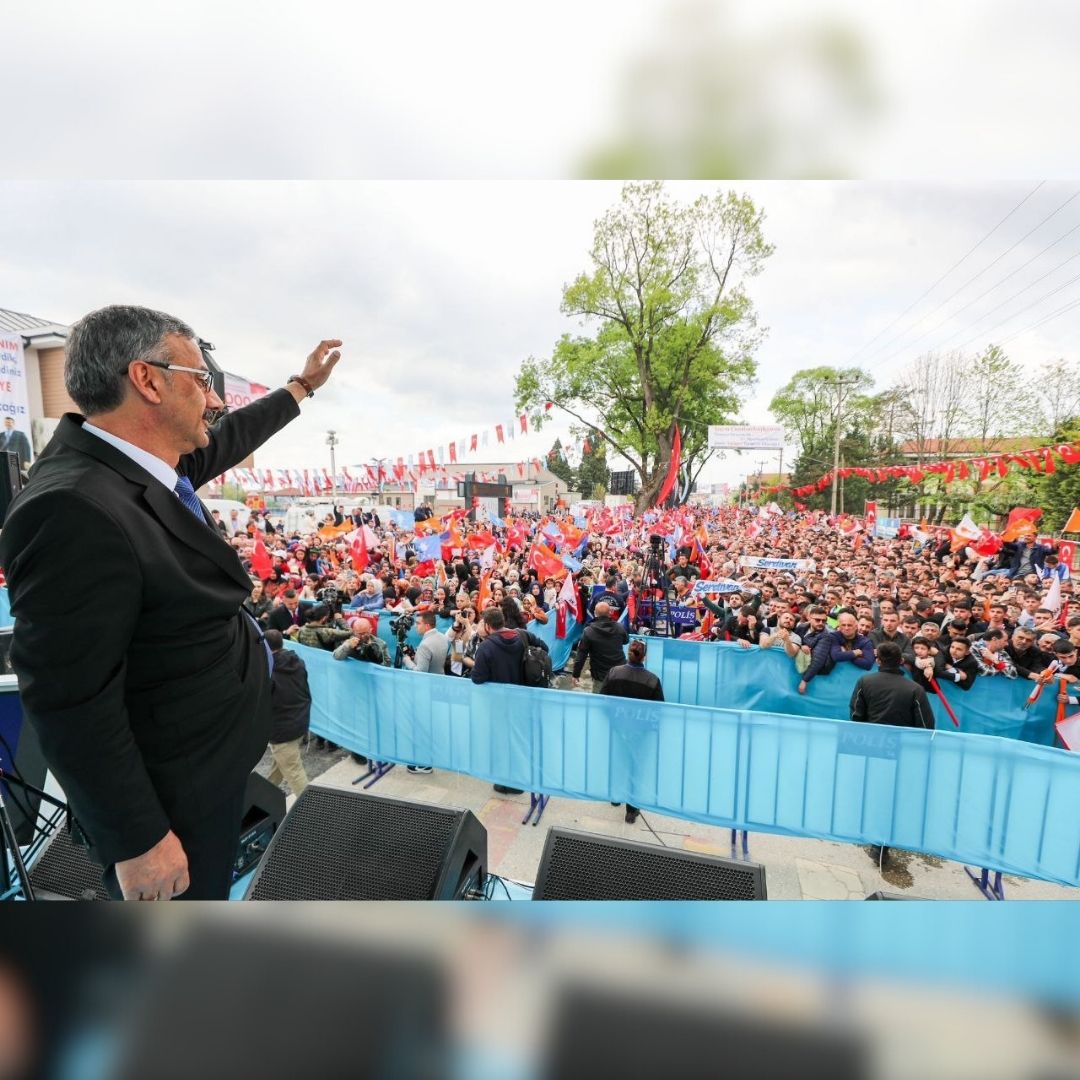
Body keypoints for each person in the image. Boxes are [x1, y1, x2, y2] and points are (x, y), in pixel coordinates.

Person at [0, 304, 341, 900]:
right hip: (170, 801)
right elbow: (67, 699)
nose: (213, 399)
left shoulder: (137, 462)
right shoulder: (72, 508)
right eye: (202, 380)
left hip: (208, 762)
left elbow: (228, 437)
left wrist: (301, 387)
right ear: (148, 379)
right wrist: (136, 840)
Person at [849, 641, 934, 869]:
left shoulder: (865, 681)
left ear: (878, 660)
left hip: (871, 749)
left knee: (873, 794)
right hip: (901, 754)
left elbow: (856, 716)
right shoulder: (914, 689)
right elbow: (926, 726)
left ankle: (874, 839)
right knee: (892, 798)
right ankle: (881, 845)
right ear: (902, 662)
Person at [470, 607, 550, 794]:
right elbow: (544, 649)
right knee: (520, 740)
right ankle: (521, 778)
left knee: (502, 743)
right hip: (526, 699)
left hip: (499, 705)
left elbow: (477, 678)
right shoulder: (521, 634)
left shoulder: (486, 647)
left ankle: (508, 782)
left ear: (488, 626)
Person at [600, 638, 664, 823]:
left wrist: (613, 719)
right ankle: (631, 810)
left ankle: (615, 797)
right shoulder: (652, 680)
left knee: (617, 761)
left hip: (618, 728)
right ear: (644, 656)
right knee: (635, 768)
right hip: (639, 732)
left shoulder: (614, 672)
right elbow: (658, 709)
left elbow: (602, 700)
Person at [263, 629, 310, 798]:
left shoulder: (268, 670)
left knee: (294, 772)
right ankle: (262, 797)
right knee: (280, 767)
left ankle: (312, 810)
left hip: (282, 729)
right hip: (300, 721)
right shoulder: (297, 661)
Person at [401, 610, 449, 774]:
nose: (416, 626)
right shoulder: (442, 637)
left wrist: (407, 661)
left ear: (427, 625)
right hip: (439, 687)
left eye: (418, 623)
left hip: (426, 692)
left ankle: (424, 763)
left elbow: (420, 673)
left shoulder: (425, 644)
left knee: (422, 727)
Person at [572, 601, 630, 691]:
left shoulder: (588, 631)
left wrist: (576, 674)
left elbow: (581, 655)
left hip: (600, 676)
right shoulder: (619, 627)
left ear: (595, 614)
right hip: (619, 673)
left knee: (599, 702)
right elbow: (626, 641)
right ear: (610, 612)